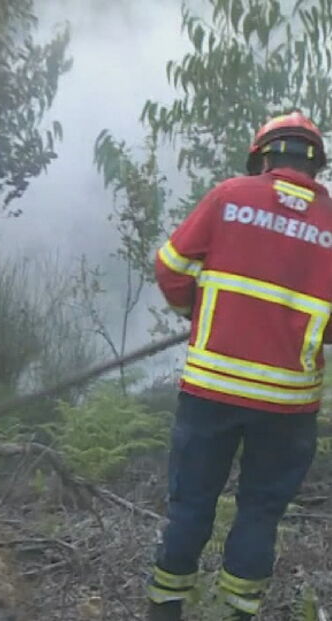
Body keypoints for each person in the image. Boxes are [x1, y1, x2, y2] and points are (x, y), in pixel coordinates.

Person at [148, 111, 332, 620]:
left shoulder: (230, 196)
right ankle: (237, 612)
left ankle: (165, 608)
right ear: (315, 164)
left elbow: (170, 267)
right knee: (260, 513)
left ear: (263, 157)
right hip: (289, 401)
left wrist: (195, 311)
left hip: (212, 388)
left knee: (191, 503)